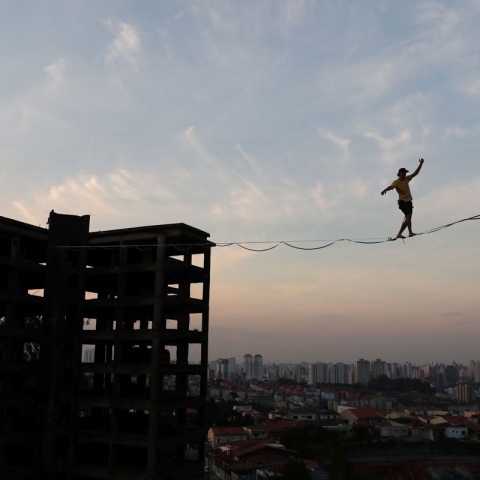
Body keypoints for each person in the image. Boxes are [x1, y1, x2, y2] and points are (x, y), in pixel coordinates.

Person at [381, 158, 424, 239]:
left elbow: (415, 173)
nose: (404, 174)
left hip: (409, 202)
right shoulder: (396, 182)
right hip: (402, 202)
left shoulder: (407, 179)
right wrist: (384, 190)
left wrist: (421, 164)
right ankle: (410, 232)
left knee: (408, 218)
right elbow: (391, 187)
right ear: (399, 173)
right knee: (408, 216)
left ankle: (399, 234)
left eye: (405, 173)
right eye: (403, 173)